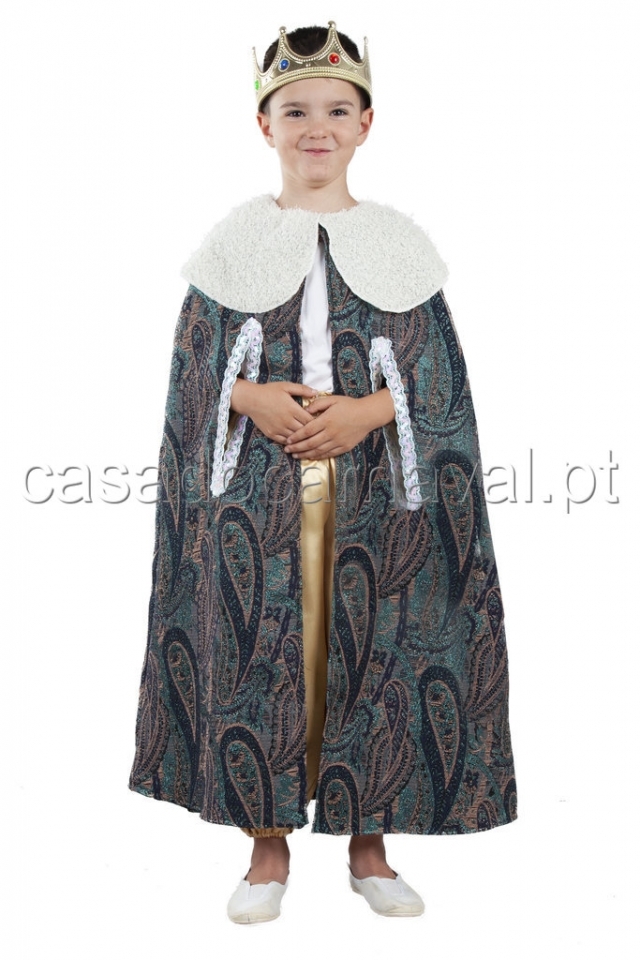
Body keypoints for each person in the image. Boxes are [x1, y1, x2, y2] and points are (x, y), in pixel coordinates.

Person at [128, 21, 519, 924]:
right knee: (261, 650)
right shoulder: (230, 249)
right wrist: (249, 398)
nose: (317, 128)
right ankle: (266, 848)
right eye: (296, 110)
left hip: (376, 493)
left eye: (337, 111)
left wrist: (366, 414)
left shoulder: (400, 250)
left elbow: (438, 380)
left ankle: (368, 845)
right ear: (264, 125)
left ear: (365, 125)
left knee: (373, 648)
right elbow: (192, 375)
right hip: (256, 496)